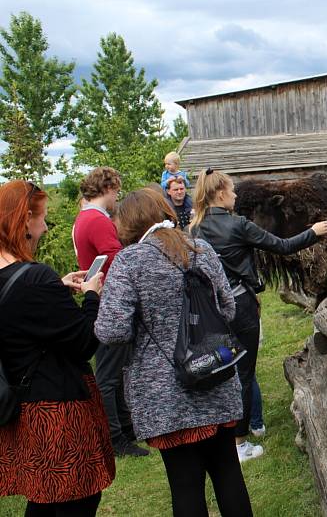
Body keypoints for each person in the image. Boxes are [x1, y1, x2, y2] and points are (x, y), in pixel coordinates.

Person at [95, 188, 252, 516]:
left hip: (165, 392)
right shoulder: (201, 248)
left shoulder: (129, 261)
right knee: (228, 474)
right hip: (215, 372)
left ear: (127, 225)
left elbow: (112, 330)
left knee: (185, 485)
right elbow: (228, 308)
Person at [189, 168, 327, 462]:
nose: (236, 195)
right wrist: (313, 232)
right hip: (240, 306)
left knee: (219, 367)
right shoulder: (238, 225)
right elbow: (283, 246)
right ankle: (240, 444)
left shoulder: (194, 228)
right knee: (243, 372)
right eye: (232, 190)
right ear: (220, 193)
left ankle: (221, 430)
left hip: (210, 309)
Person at [0, 180, 114, 516]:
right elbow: (83, 342)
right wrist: (92, 295)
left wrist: (58, 290)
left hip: (22, 407)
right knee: (75, 500)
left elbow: (22, 320)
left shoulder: (17, 279)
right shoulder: (35, 278)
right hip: (58, 412)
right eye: (42, 218)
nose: (46, 226)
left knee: (45, 497)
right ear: (24, 222)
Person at [74, 167, 149, 458]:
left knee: (116, 370)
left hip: (102, 297)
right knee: (108, 374)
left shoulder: (83, 218)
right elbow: (118, 259)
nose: (117, 196)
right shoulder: (98, 220)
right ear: (108, 188)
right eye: (116, 190)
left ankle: (127, 429)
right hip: (109, 300)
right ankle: (116, 437)